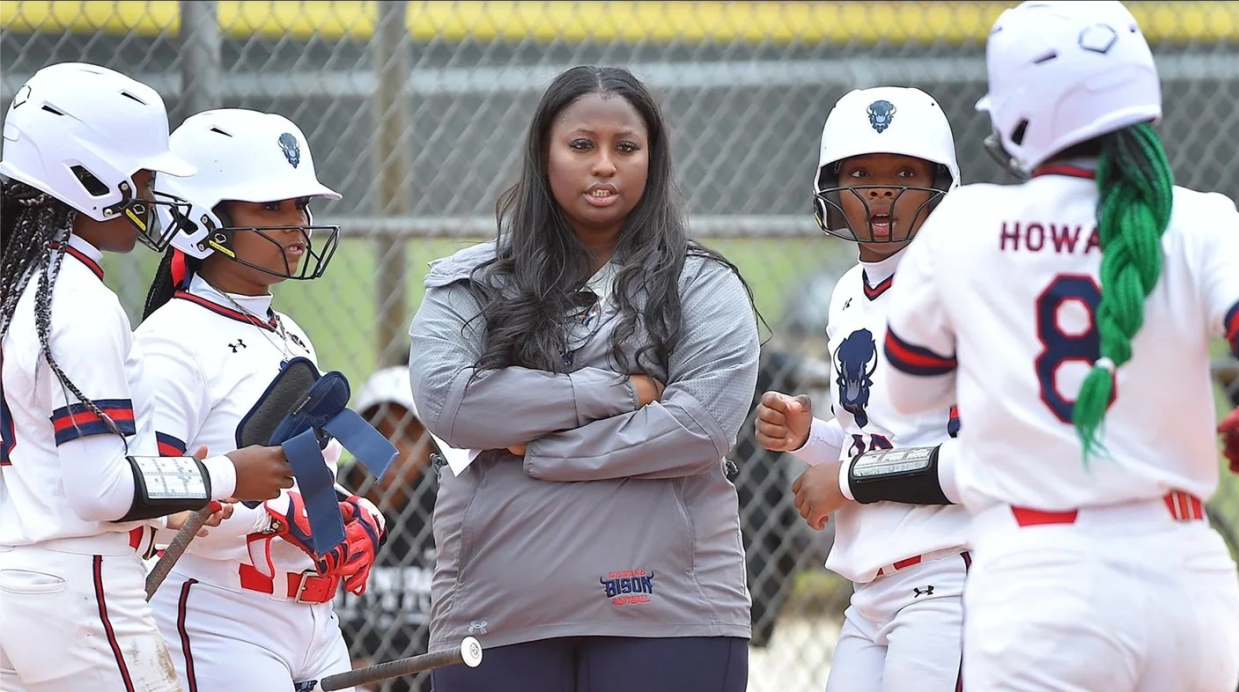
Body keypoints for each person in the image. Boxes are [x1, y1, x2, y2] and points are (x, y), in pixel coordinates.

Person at [877, 2, 1239, 690]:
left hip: (1041, 577)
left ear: (1019, 111)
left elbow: (907, 393)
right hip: (1187, 577)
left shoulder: (966, 222)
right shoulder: (1199, 218)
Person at [408, 65, 760, 692]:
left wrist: (539, 448)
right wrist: (619, 393)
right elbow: (450, 403)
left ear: (653, 158)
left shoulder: (704, 283)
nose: (604, 165)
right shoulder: (472, 280)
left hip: (671, 612)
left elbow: (699, 428)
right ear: (543, 154)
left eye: (625, 147)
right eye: (581, 146)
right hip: (498, 611)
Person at [0, 63, 293, 692]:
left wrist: (172, 503)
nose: (154, 193)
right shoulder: (75, 299)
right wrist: (226, 474)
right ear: (90, 177)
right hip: (78, 588)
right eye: (144, 174)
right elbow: (98, 492)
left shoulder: (18, 286)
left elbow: (51, 470)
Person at [135, 108, 384, 692]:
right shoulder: (170, 341)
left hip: (313, 619)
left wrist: (348, 513)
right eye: (271, 207)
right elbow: (149, 502)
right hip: (218, 616)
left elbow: (301, 472)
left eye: (300, 205)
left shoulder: (288, 331)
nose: (298, 224)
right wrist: (273, 518)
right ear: (201, 221)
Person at [754, 86, 971, 692]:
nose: (880, 190)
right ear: (832, 188)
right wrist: (807, 437)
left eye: (904, 171)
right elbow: (869, 446)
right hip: (870, 587)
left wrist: (844, 480)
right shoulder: (848, 292)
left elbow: (966, 461)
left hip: (945, 576)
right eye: (860, 173)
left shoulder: (956, 283)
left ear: (940, 184)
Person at [335, 362, 440, 692]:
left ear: (428, 450)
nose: (390, 449)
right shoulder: (324, 503)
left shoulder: (443, 512)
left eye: (408, 436)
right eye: (377, 430)